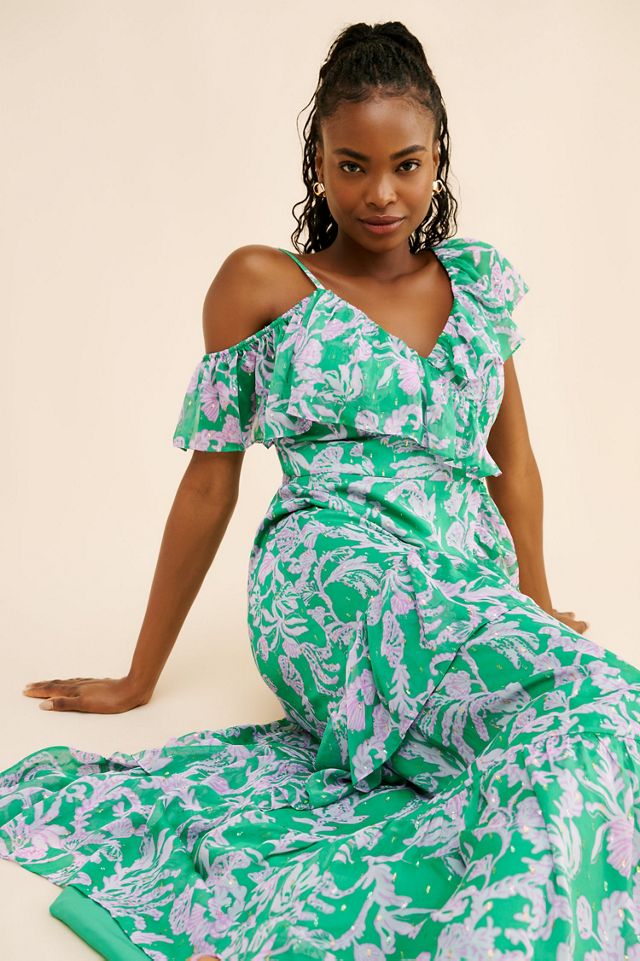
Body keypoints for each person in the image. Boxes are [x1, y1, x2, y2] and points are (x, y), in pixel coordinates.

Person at [2, 19, 639, 961]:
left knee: (602, 708)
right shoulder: (262, 283)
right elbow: (209, 486)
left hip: (460, 572)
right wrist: (140, 677)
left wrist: (533, 608)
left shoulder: (480, 286)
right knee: (583, 710)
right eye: (352, 165)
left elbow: (517, 465)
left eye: (406, 165)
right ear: (319, 163)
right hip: (330, 571)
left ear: (438, 159)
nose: (381, 193)